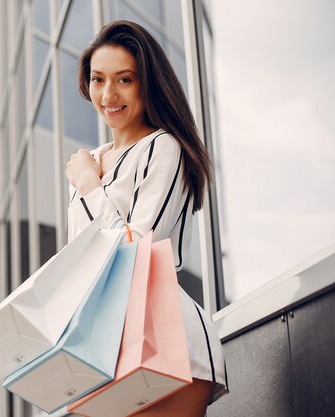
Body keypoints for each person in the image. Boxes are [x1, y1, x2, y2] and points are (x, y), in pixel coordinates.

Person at [66, 20, 228, 416]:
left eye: (125, 79)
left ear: (147, 83)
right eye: (98, 80)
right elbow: (81, 262)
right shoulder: (90, 161)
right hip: (104, 340)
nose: (109, 94)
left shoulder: (162, 147)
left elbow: (136, 253)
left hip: (163, 338)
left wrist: (89, 186)